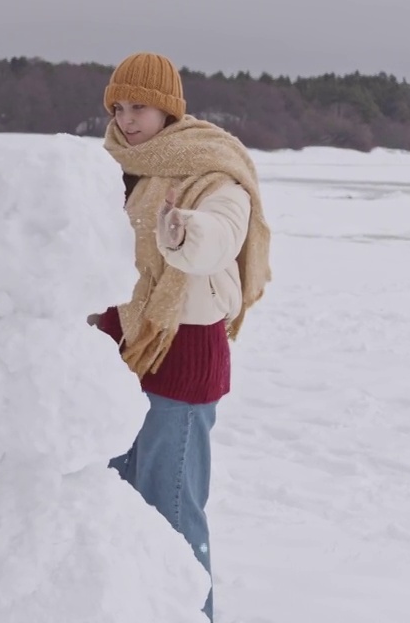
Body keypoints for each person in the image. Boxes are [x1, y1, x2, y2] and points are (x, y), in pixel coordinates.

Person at [98, 52, 271, 620]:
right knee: (111, 501)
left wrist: (181, 229)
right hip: (114, 351)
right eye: (118, 107)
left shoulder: (212, 169)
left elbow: (221, 233)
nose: (126, 120)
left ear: (168, 109)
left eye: (139, 107)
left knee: (169, 507)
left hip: (181, 353)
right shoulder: (109, 166)